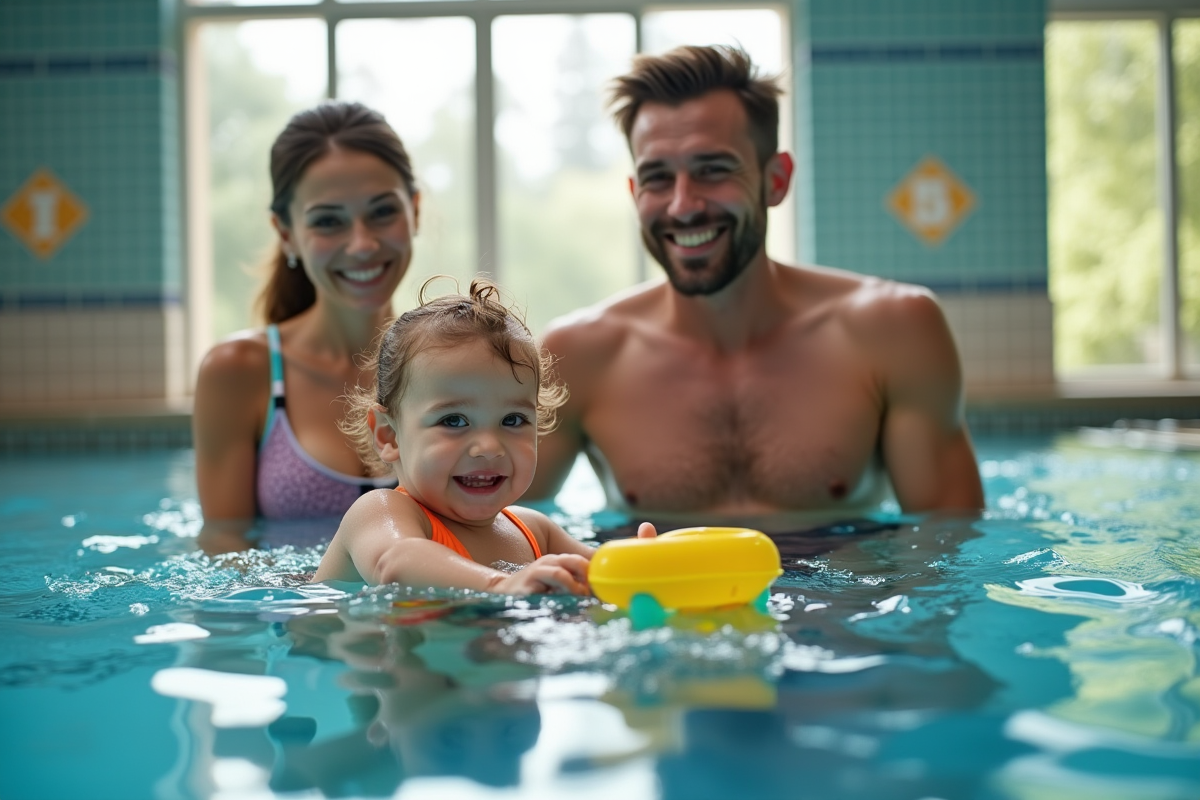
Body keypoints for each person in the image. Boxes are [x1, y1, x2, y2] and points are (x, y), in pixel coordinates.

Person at [524, 45, 984, 524]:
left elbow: (951, 546)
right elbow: (500, 538)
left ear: (777, 180)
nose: (683, 206)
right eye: (657, 178)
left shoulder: (893, 332)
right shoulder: (579, 357)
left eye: (712, 170)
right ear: (635, 193)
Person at [312, 278, 654, 593]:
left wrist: (643, 565)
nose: (489, 448)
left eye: (513, 419)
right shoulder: (380, 512)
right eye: (454, 421)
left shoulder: (536, 533)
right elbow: (395, 563)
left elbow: (603, 578)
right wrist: (499, 585)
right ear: (389, 435)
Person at [194, 101, 418, 552]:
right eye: (328, 221)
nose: (362, 244)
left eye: (382, 212)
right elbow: (224, 551)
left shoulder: (451, 363)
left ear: (415, 209)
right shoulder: (240, 371)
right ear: (286, 234)